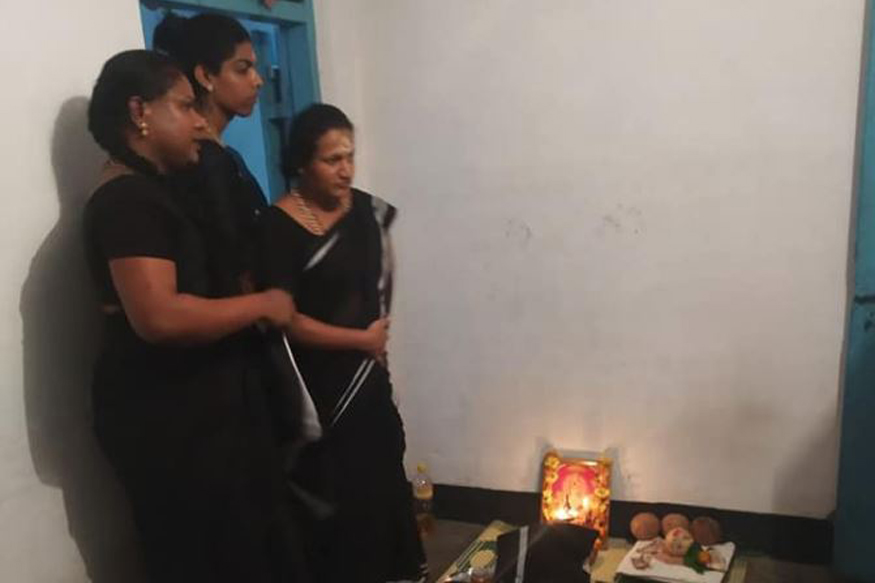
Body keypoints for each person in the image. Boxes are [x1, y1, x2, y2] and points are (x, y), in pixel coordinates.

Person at [84, 49, 305, 582]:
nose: (200, 121)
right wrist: (264, 304)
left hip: (206, 411)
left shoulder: (159, 189)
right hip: (172, 420)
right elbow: (158, 316)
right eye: (185, 107)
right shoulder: (126, 201)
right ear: (139, 111)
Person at [256, 103, 427, 583]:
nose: (346, 169)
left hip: (368, 380)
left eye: (350, 156)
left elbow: (381, 279)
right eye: (332, 159)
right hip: (315, 391)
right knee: (336, 501)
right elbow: (284, 318)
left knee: (382, 486)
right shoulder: (277, 227)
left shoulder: (367, 212)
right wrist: (360, 338)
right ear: (302, 163)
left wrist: (375, 338)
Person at [153, 12, 266, 295]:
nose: (258, 80)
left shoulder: (222, 155)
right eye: (243, 69)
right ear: (205, 76)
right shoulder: (203, 159)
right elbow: (226, 261)